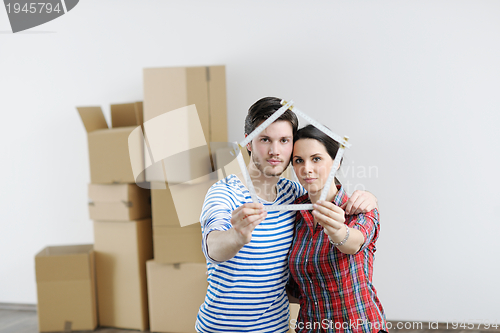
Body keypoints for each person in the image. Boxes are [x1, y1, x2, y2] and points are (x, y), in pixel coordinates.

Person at [195, 97, 378, 333]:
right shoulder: (224, 193)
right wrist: (236, 236)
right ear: (249, 143)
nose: (275, 151)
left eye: (284, 141)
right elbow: (213, 247)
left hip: (277, 328)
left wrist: (370, 197)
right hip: (222, 328)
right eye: (265, 140)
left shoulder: (295, 195)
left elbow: (330, 192)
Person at [287, 124, 387, 333]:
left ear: (337, 161)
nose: (306, 168)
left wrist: (337, 231)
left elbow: (353, 243)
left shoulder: (361, 209)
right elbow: (295, 287)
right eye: (299, 161)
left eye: (316, 159)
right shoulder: (293, 214)